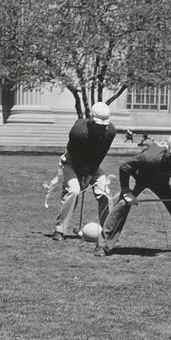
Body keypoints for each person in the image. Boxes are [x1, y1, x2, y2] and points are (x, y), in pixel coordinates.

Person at [94, 132, 171, 256]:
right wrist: (126, 192)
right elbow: (125, 167)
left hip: (163, 181)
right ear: (168, 152)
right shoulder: (149, 157)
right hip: (140, 177)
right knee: (122, 205)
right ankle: (103, 246)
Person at [52, 101, 116, 241]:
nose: (102, 129)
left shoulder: (110, 132)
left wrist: (89, 175)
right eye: (99, 126)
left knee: (104, 192)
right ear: (92, 120)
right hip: (71, 162)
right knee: (74, 191)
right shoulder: (78, 132)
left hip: (93, 164)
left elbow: (100, 155)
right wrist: (82, 179)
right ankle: (59, 230)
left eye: (104, 126)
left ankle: (108, 232)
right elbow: (74, 156)